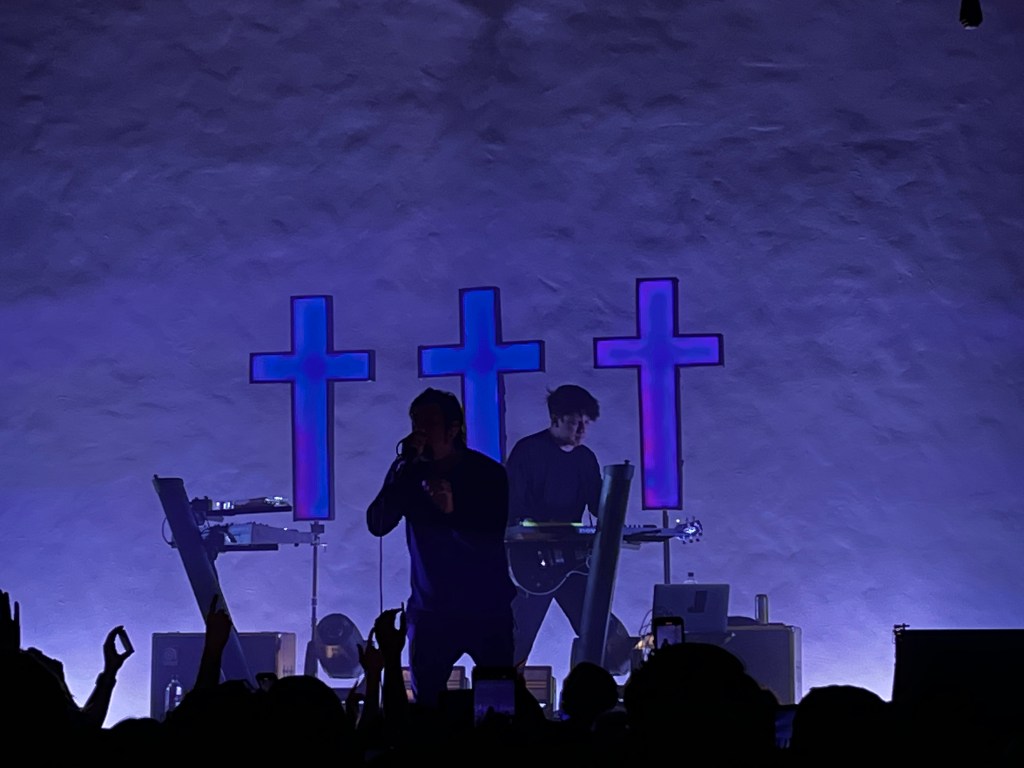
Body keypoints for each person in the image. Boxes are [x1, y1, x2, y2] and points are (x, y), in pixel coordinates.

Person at [366, 388, 516, 709]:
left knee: (497, 702)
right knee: (427, 706)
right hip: (432, 610)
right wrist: (402, 472)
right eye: (415, 424)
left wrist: (451, 514)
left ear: (453, 429)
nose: (419, 432)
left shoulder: (487, 474)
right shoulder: (410, 472)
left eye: (428, 424)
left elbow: (488, 541)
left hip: (486, 609)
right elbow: (377, 522)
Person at [505, 385, 635, 674]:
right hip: (532, 565)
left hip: (572, 563)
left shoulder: (585, 458)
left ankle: (600, 683)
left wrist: (616, 506)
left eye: (586, 423)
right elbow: (514, 509)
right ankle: (504, 691)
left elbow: (598, 506)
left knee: (603, 634)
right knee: (516, 642)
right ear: (556, 418)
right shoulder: (527, 452)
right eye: (576, 422)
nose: (582, 431)